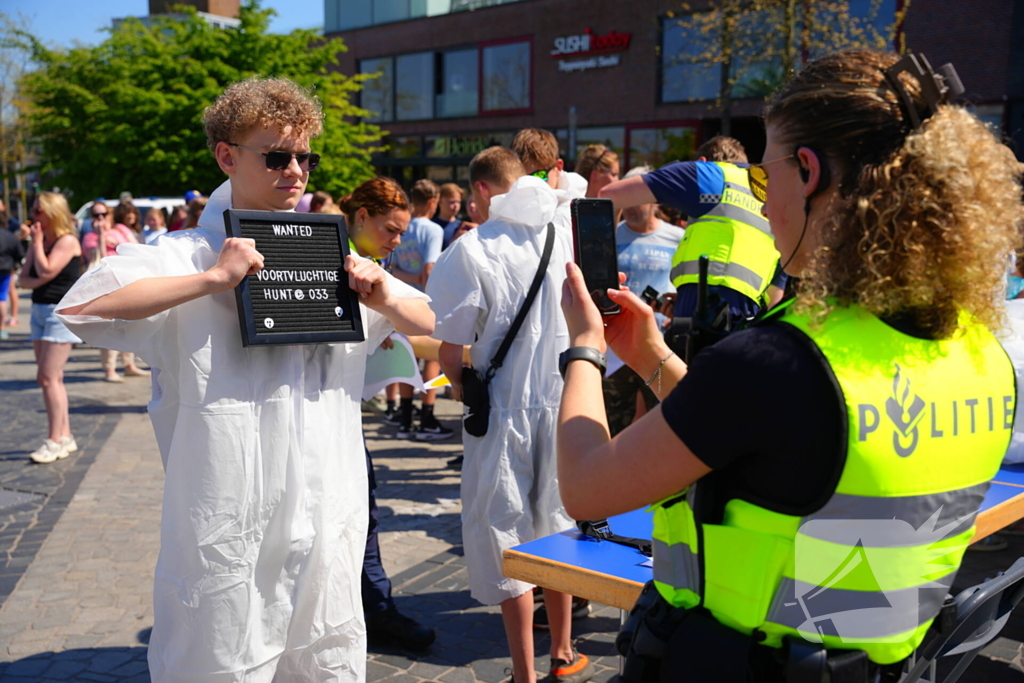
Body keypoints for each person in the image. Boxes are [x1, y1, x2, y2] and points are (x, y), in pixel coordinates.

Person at [557, 49, 1020, 682]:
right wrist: (655, 358)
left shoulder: (777, 362)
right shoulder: (980, 350)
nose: (763, 201)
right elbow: (787, 442)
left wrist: (584, 345)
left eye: (763, 175)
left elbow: (586, 487)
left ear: (807, 172)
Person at [55, 76, 434, 682]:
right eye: (277, 156)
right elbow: (81, 308)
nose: (296, 171)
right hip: (229, 521)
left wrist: (384, 291)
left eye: (305, 157)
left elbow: (437, 323)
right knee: (223, 654)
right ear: (227, 155)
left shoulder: (333, 259)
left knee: (324, 657)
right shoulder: (186, 253)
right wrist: (211, 281)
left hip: (326, 510)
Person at [429, 147, 594, 683]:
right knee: (559, 527)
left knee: (506, 537)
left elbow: (450, 352)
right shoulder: (564, 233)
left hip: (502, 412)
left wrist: (464, 386)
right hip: (564, 399)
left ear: (481, 190)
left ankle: (524, 674)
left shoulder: (472, 249)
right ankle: (564, 653)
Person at [337, 176, 437, 648]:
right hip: (314, 420)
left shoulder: (374, 265)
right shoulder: (324, 256)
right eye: (391, 230)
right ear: (361, 218)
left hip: (344, 419)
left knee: (365, 513)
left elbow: (427, 320)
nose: (399, 241)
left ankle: (376, 610)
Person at [599, 136, 784, 324]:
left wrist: (601, 280)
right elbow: (775, 295)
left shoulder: (709, 175)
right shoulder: (771, 195)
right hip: (747, 325)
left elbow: (608, 196)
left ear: (702, 163)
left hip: (707, 317)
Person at [601, 165, 684, 436]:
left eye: (636, 201)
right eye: (626, 203)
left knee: (666, 424)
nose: (631, 208)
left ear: (654, 200)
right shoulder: (611, 237)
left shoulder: (678, 238)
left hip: (658, 347)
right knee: (613, 427)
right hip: (617, 352)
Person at [18, 192, 83, 464]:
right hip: (39, 310)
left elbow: (44, 272)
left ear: (53, 212)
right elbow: (23, 280)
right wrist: (37, 246)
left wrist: (36, 244)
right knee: (52, 379)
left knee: (47, 377)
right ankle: (64, 436)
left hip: (58, 312)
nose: (34, 217)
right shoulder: (45, 241)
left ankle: (55, 439)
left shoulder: (67, 241)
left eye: (39, 211)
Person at [390, 178, 451, 440]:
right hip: (424, 302)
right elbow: (429, 269)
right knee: (432, 358)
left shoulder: (402, 227)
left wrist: (407, 280)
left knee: (407, 358)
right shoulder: (433, 230)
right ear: (433, 202)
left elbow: (390, 268)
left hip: (400, 300)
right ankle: (427, 417)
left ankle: (404, 420)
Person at [82, 201, 148, 383]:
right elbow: (100, 260)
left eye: (104, 214)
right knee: (108, 327)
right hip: (104, 285)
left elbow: (136, 250)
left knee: (129, 323)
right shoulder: (89, 237)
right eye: (96, 215)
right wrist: (102, 237)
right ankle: (109, 369)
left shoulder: (120, 230)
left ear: (110, 214)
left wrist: (115, 241)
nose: (101, 218)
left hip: (126, 281)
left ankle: (129, 365)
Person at [0, 218, 25, 340]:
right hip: (6, 269)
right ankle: (2, 327)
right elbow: (20, 254)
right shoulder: (10, 237)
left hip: (6, 268)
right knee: (3, 297)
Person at [433, 183, 464, 248]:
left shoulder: (462, 226)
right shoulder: (433, 226)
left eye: (458, 202)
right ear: (440, 201)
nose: (456, 205)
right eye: (451, 202)